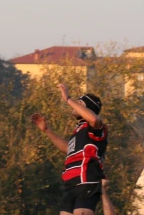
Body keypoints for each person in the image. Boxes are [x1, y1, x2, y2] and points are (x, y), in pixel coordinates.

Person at [31, 83, 107, 215]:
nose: (74, 105)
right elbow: (67, 149)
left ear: (86, 108)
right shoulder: (79, 130)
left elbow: (94, 119)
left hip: (86, 181)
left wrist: (68, 99)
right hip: (70, 184)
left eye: (79, 102)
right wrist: (47, 130)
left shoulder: (96, 127)